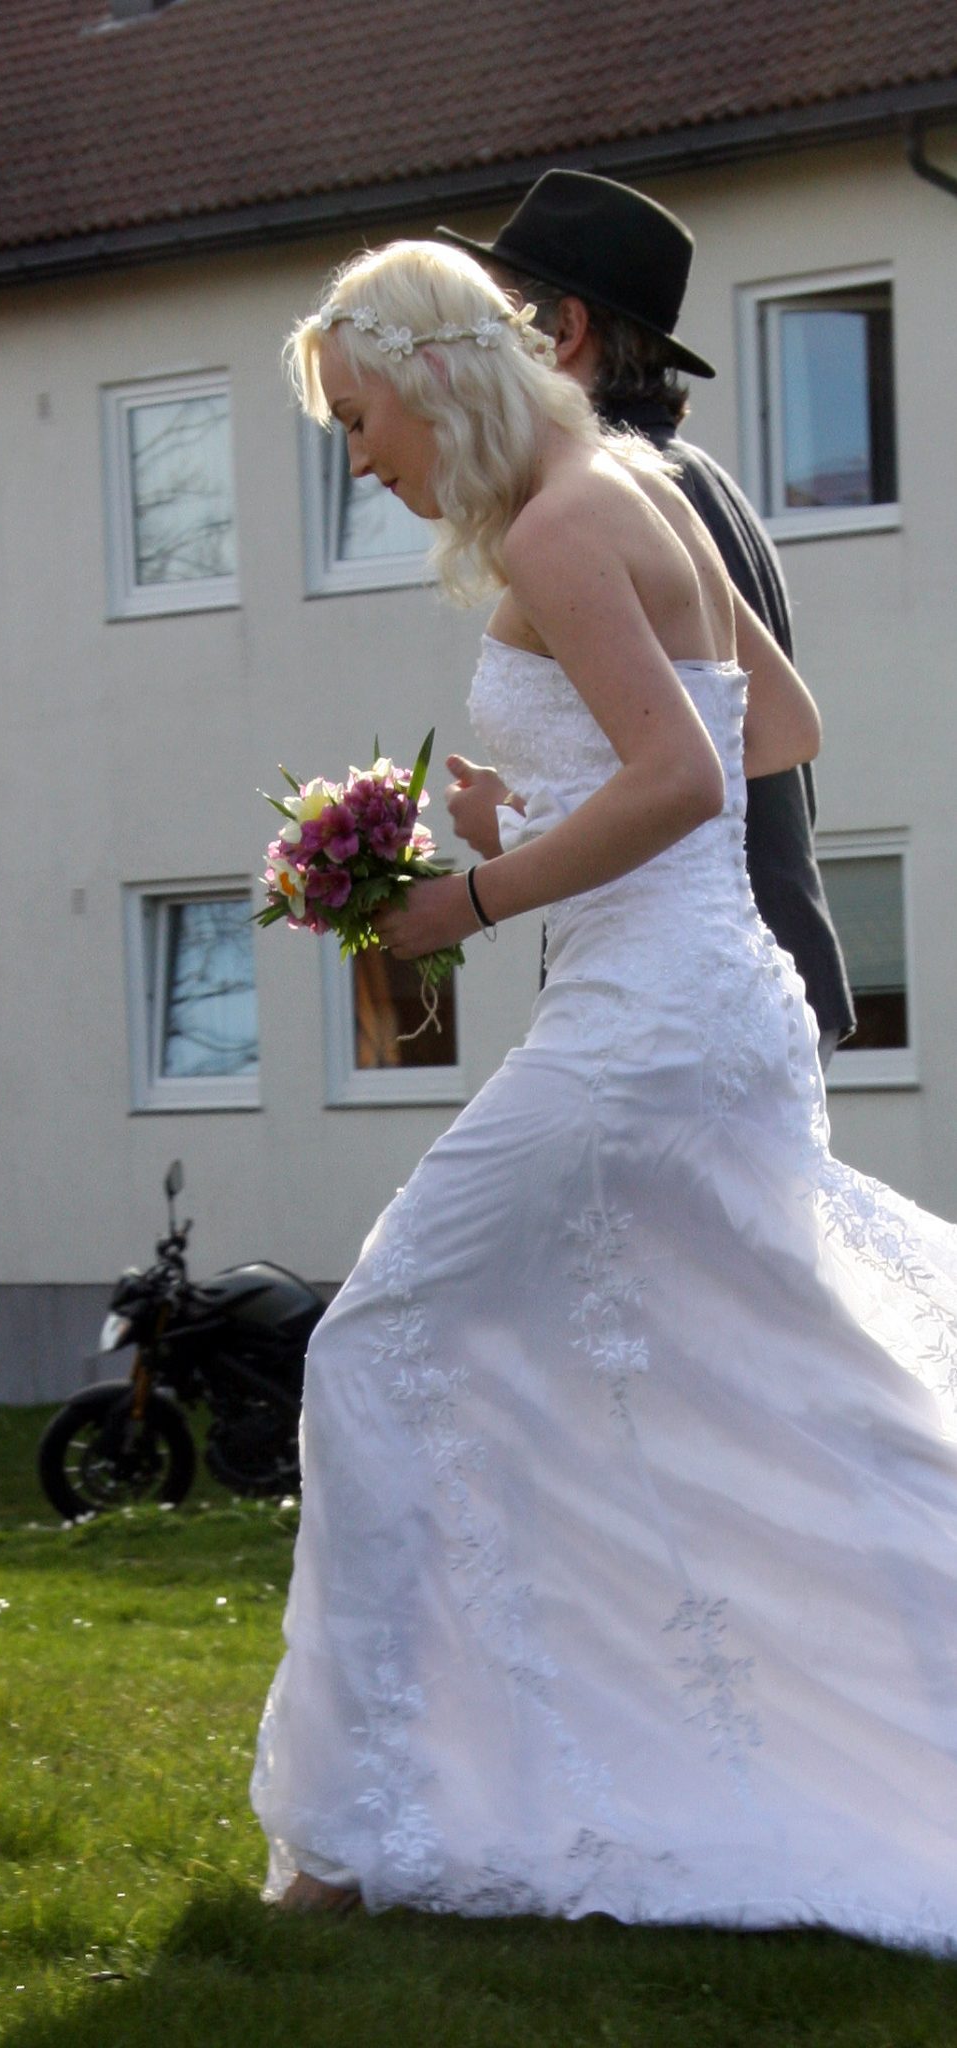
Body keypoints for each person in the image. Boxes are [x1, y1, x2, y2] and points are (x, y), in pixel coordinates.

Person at [250, 238, 957, 1947]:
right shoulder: (634, 484)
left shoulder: (563, 524)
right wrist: (539, 801)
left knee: (379, 1340)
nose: (360, 459)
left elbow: (693, 776)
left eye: (358, 420)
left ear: (429, 380)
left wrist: (466, 898)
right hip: (708, 1007)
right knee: (760, 1398)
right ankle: (482, 1784)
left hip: (646, 1028)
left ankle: (354, 1835)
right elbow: (775, 728)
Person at [435, 171, 855, 1064]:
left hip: (699, 993)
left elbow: (709, 765)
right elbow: (722, 734)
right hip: (727, 978)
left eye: (495, 321)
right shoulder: (683, 480)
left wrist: (505, 838)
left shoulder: (614, 492)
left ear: (564, 331)